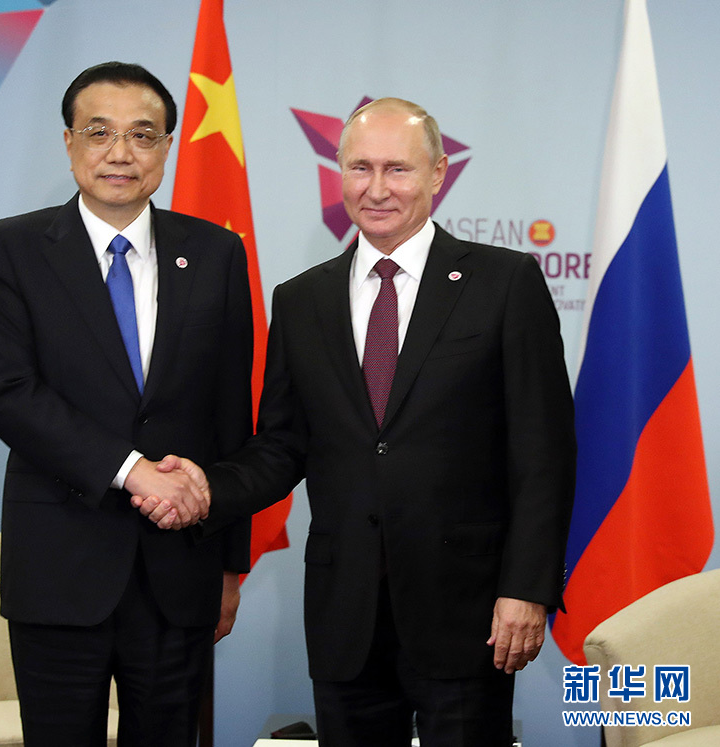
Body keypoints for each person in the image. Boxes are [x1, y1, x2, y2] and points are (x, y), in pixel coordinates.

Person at [135, 98, 576, 746]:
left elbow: (544, 453)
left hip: (468, 610)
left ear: (438, 173)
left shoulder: (505, 282)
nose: (376, 188)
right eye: (360, 167)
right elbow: (283, 446)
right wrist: (207, 488)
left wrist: (527, 588)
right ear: (338, 173)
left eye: (398, 169)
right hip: (345, 614)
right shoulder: (301, 298)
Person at [0, 61, 253, 746]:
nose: (120, 152)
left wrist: (230, 565)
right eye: (99, 132)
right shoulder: (11, 248)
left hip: (179, 570)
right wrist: (133, 471)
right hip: (60, 567)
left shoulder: (215, 253)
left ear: (167, 148)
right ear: (69, 143)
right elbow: (11, 395)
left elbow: (230, 416)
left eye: (142, 134)